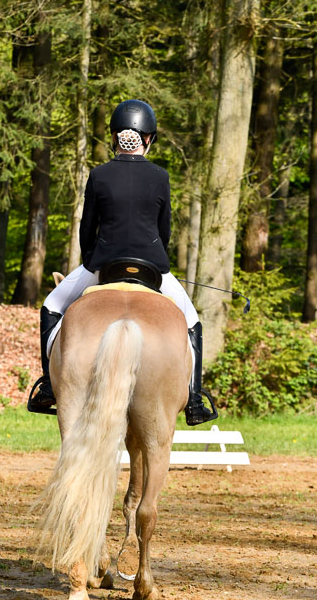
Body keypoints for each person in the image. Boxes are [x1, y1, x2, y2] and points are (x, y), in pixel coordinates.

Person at [28, 99, 217, 426]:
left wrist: (91, 262)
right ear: (148, 139)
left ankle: (47, 384)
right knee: (192, 321)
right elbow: (164, 230)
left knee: (51, 304)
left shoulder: (99, 174)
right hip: (152, 268)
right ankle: (195, 397)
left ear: (115, 137)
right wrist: (155, 260)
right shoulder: (160, 176)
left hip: (103, 264)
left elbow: (86, 229)